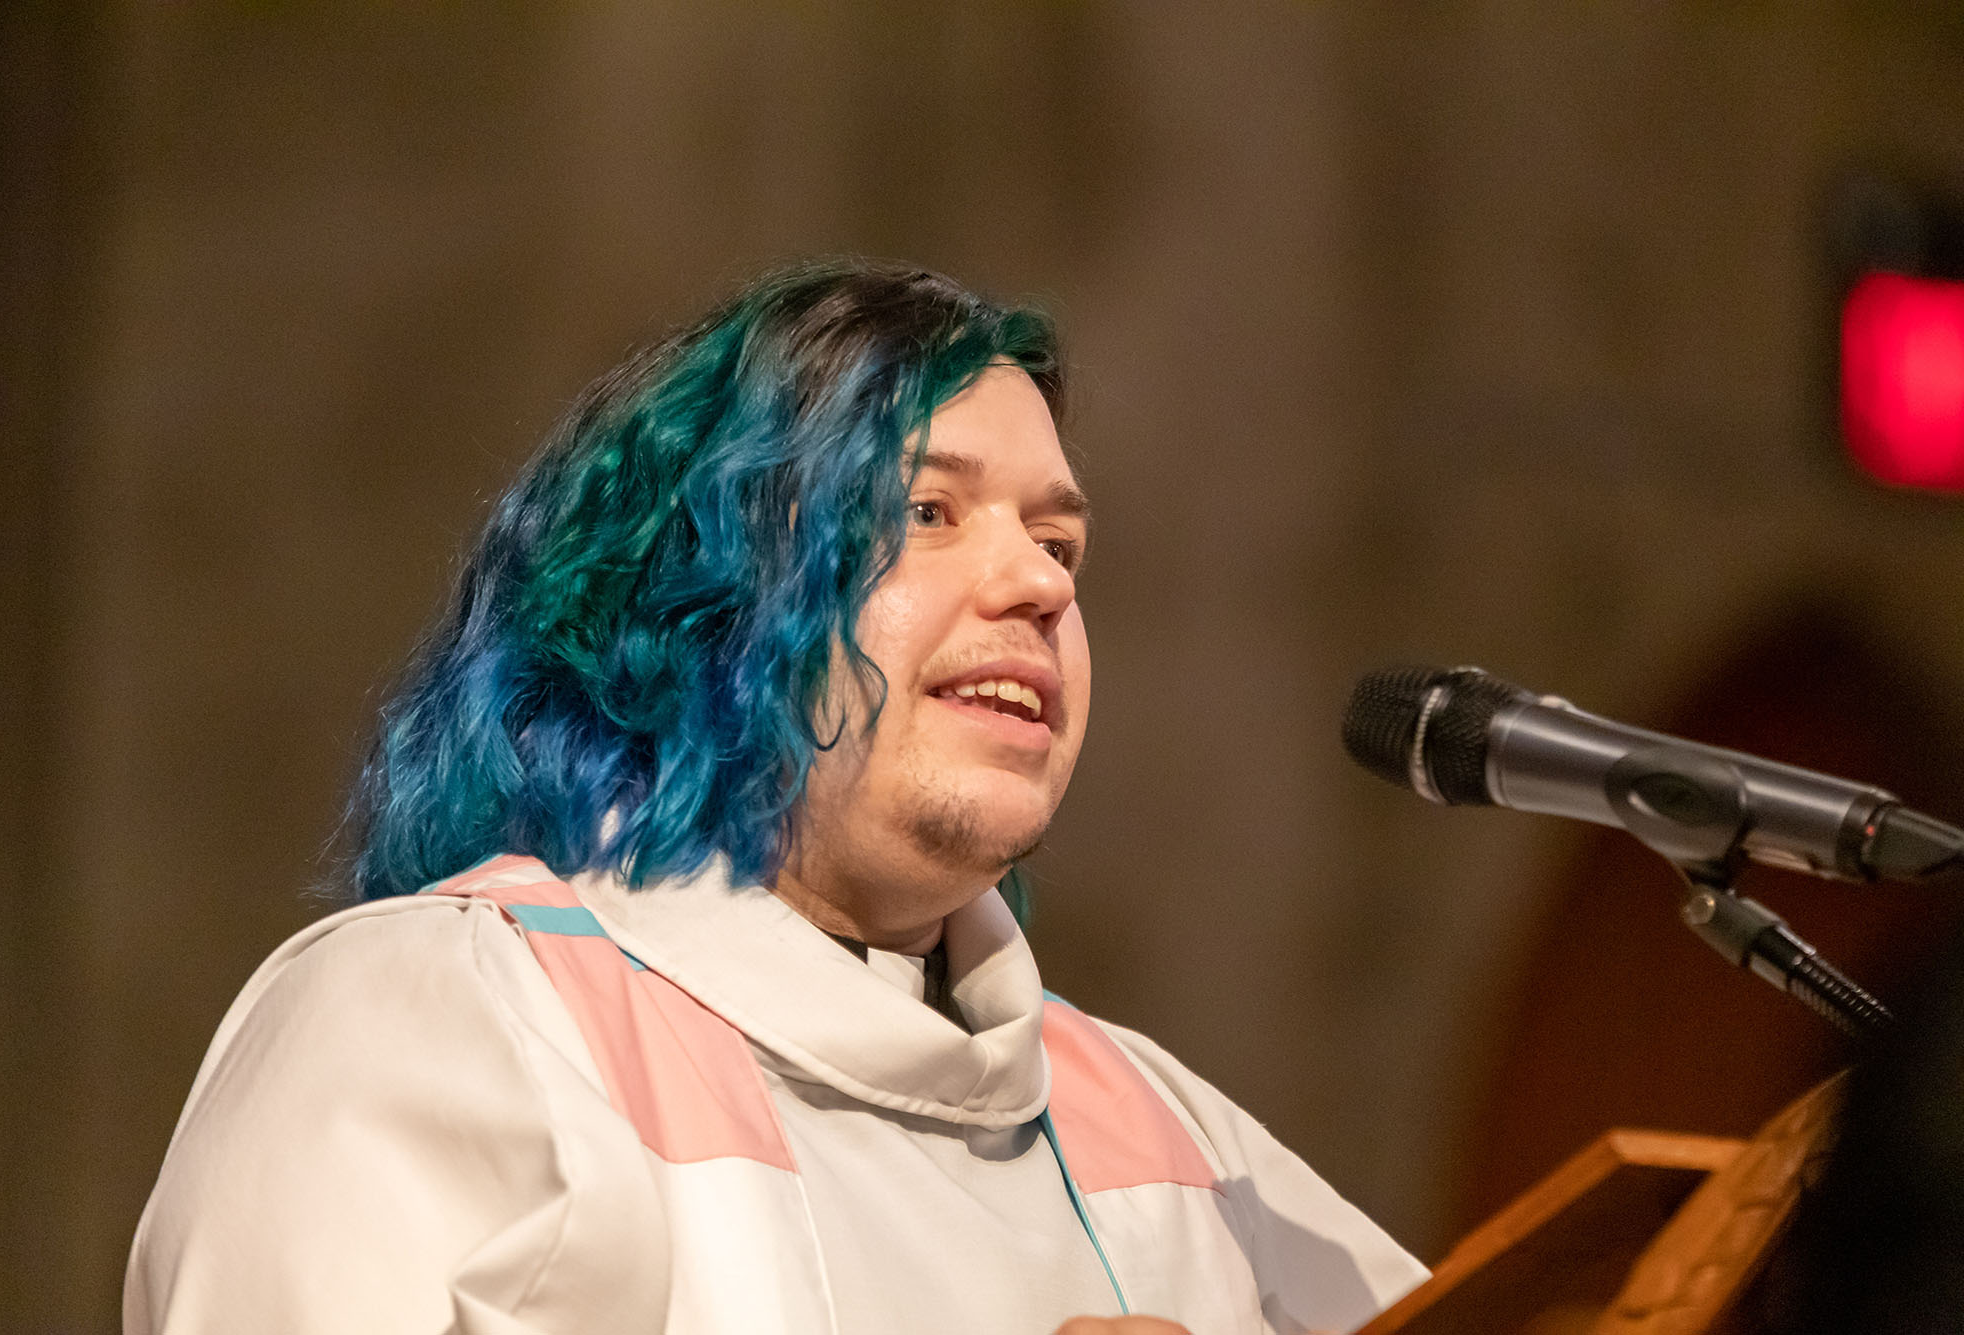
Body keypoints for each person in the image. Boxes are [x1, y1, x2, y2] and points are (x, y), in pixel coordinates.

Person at [124, 259, 1428, 1334]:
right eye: (929, 511)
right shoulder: (456, 1022)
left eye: (1059, 542)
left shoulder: (1163, 1135)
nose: (1039, 586)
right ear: (701, 596)